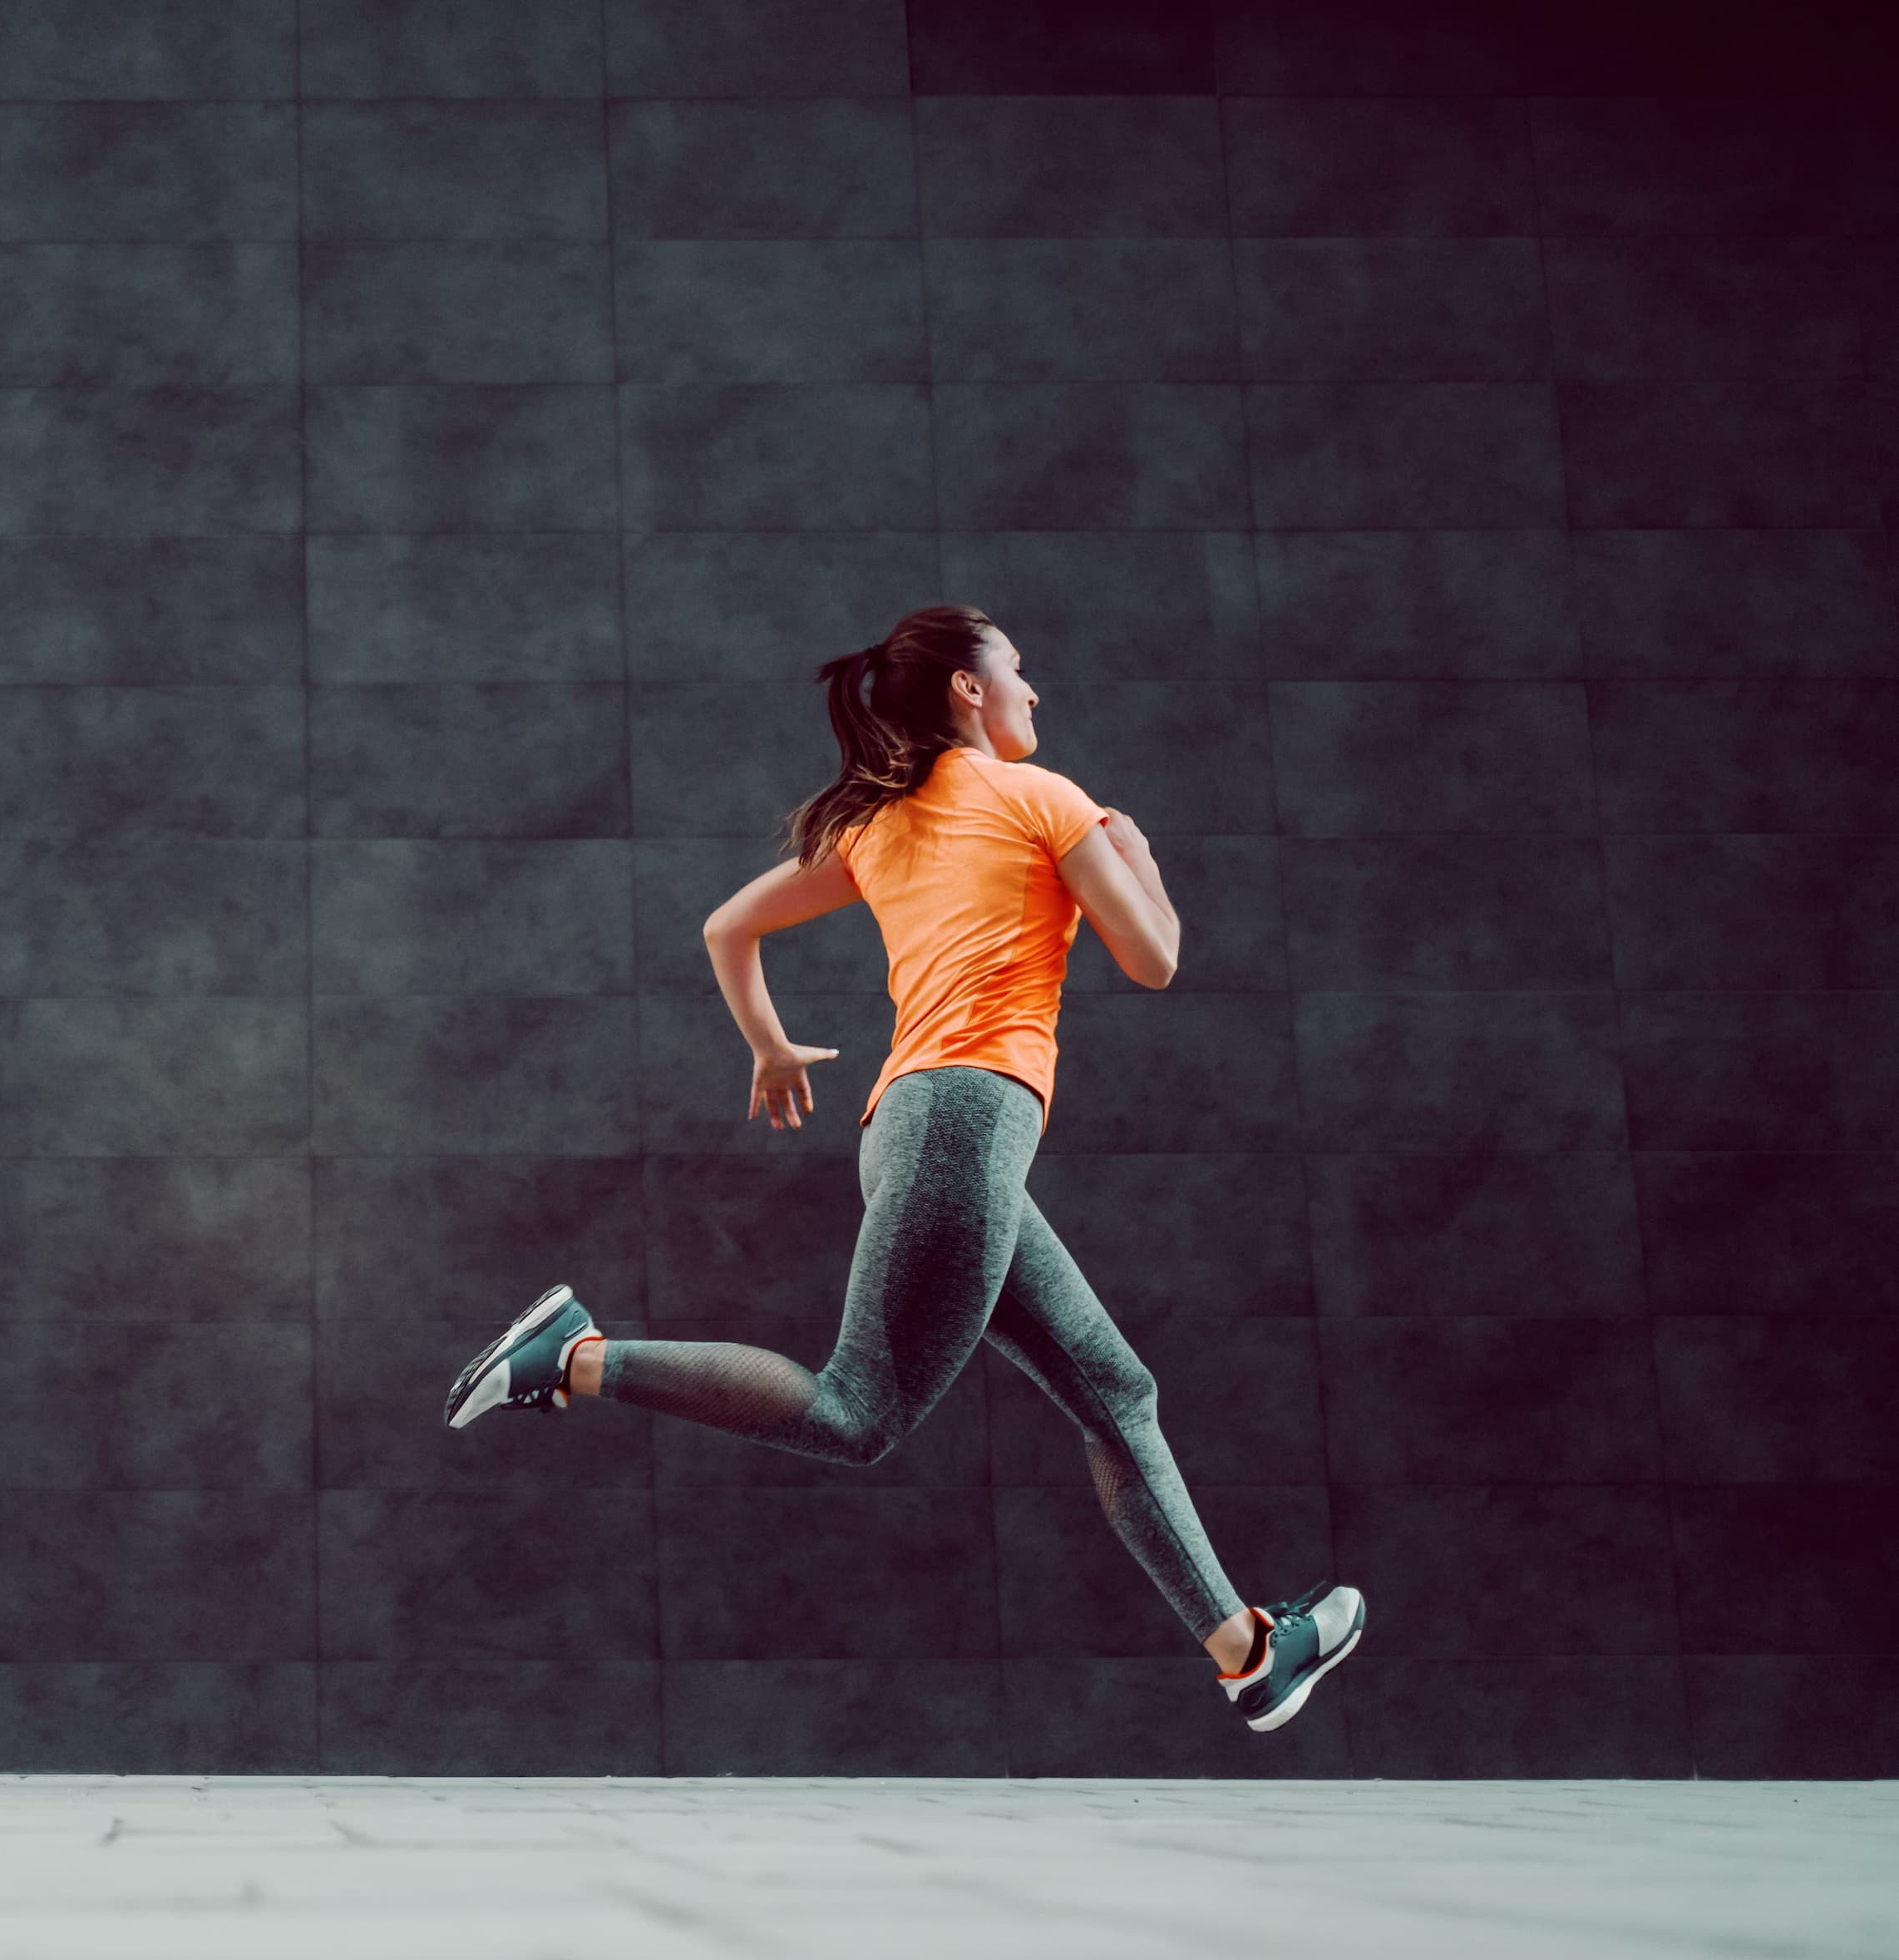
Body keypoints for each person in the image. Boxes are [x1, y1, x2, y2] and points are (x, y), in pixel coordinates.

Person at [442, 605, 1364, 1734]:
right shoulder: (1050, 800)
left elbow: (727, 927)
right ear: (968, 691)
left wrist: (771, 1045)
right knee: (853, 1414)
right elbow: (1155, 958)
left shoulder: (879, 825)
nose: (1036, 690)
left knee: (1118, 1393)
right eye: (1019, 670)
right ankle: (572, 1357)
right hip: (964, 1124)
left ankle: (1248, 1653)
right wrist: (1137, 854)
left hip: (920, 1130)